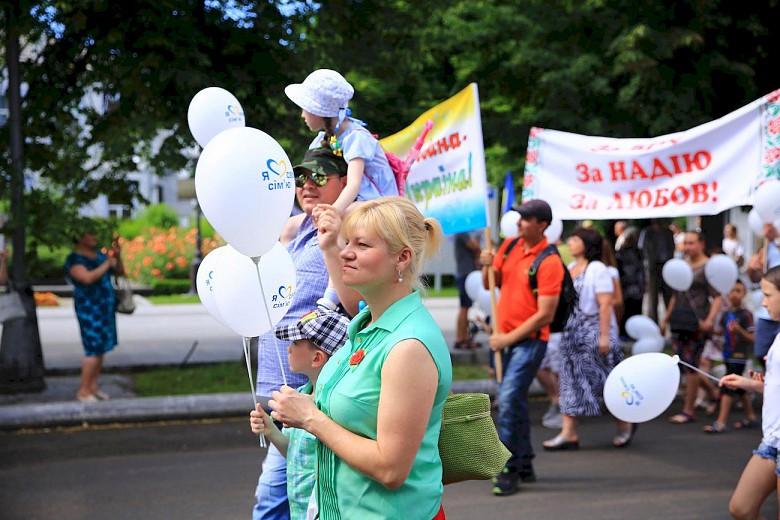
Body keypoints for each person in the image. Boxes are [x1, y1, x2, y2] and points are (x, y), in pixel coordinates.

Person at [268, 196, 451, 520]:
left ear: (402, 258)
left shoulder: (408, 345)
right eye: (347, 242)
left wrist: (310, 418)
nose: (346, 252)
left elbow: (390, 469)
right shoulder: (365, 326)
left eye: (362, 244)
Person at [253, 146, 361, 520]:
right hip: (287, 386)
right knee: (299, 495)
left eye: (319, 176)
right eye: (300, 178)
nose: (306, 185)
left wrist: (332, 240)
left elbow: (350, 302)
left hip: (318, 387)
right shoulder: (296, 228)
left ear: (345, 183)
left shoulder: (349, 229)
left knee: (277, 503)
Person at [479, 199, 563, 495]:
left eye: (526, 219)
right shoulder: (511, 246)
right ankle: (525, 463)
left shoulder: (550, 262)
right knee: (515, 402)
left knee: (509, 399)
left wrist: (507, 339)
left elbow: (545, 315)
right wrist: (485, 265)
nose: (519, 222)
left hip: (528, 342)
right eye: (519, 217)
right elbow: (491, 284)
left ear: (542, 225)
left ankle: (508, 468)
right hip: (504, 339)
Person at [250, 306, 351, 520]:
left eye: (295, 343)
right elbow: (297, 454)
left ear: (317, 358)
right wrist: (271, 431)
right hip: (301, 511)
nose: (288, 349)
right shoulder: (300, 396)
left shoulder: (336, 407)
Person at [543, 227, 635, 451]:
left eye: (575, 239)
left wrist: (604, 336)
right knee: (569, 384)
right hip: (572, 335)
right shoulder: (572, 268)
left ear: (587, 244)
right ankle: (568, 433)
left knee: (606, 384)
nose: (570, 243)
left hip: (593, 334)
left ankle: (625, 424)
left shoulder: (597, 269)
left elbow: (605, 303)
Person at [284, 69, 398, 217]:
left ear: (319, 111)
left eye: (305, 108)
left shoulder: (356, 137)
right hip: (355, 202)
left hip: (381, 206)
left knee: (344, 217)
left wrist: (334, 211)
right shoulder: (321, 139)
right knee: (292, 226)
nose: (302, 114)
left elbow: (354, 184)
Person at [720, 266, 780, 519]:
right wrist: (750, 384)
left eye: (768, 295)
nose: (763, 303)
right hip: (773, 440)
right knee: (742, 508)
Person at [661, 231, 722, 424]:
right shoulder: (683, 265)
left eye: (692, 243)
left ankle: (689, 410)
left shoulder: (708, 267)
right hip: (679, 319)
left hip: (697, 323)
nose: (688, 247)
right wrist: (666, 319)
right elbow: (675, 295)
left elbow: (717, 296)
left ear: (701, 244)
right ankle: (713, 393)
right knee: (682, 363)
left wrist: (710, 320)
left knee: (691, 364)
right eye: (685, 243)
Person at [64, 229, 124, 402]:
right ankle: (83, 391)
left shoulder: (98, 255)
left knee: (101, 349)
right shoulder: (75, 259)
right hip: (90, 309)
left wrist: (117, 257)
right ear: (79, 237)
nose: (94, 236)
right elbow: (87, 278)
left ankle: (93, 388)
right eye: (90, 233)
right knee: (93, 349)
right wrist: (106, 264)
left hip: (105, 308)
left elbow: (119, 271)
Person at [703, 280, 757, 433]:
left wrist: (739, 331)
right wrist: (709, 330)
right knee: (740, 388)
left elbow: (752, 338)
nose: (735, 294)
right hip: (727, 354)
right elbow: (720, 331)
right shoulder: (726, 314)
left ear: (744, 293)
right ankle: (751, 416)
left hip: (739, 356)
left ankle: (721, 422)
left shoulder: (746, 314)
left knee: (728, 386)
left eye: (738, 291)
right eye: (732, 291)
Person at [746, 222, 780, 371]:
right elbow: (755, 278)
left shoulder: (774, 240)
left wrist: (776, 239)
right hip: (768, 312)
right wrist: (752, 269)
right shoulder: (767, 245)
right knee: (762, 353)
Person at [639, 219, 676, 323]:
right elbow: (643, 249)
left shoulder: (668, 232)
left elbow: (672, 247)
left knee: (668, 295)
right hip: (653, 267)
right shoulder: (647, 233)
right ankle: (653, 322)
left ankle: (671, 321)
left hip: (666, 265)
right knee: (653, 297)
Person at [454, 230, 482, 349]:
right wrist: (478, 238)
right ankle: (461, 338)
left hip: (466, 274)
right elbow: (474, 246)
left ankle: (464, 337)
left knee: (466, 307)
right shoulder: (461, 233)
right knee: (464, 308)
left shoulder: (463, 233)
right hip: (465, 274)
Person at [615, 226, 645, 338]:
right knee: (627, 311)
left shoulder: (638, 251)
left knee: (636, 310)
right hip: (627, 287)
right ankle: (625, 333)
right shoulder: (621, 253)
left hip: (637, 287)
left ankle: (635, 333)